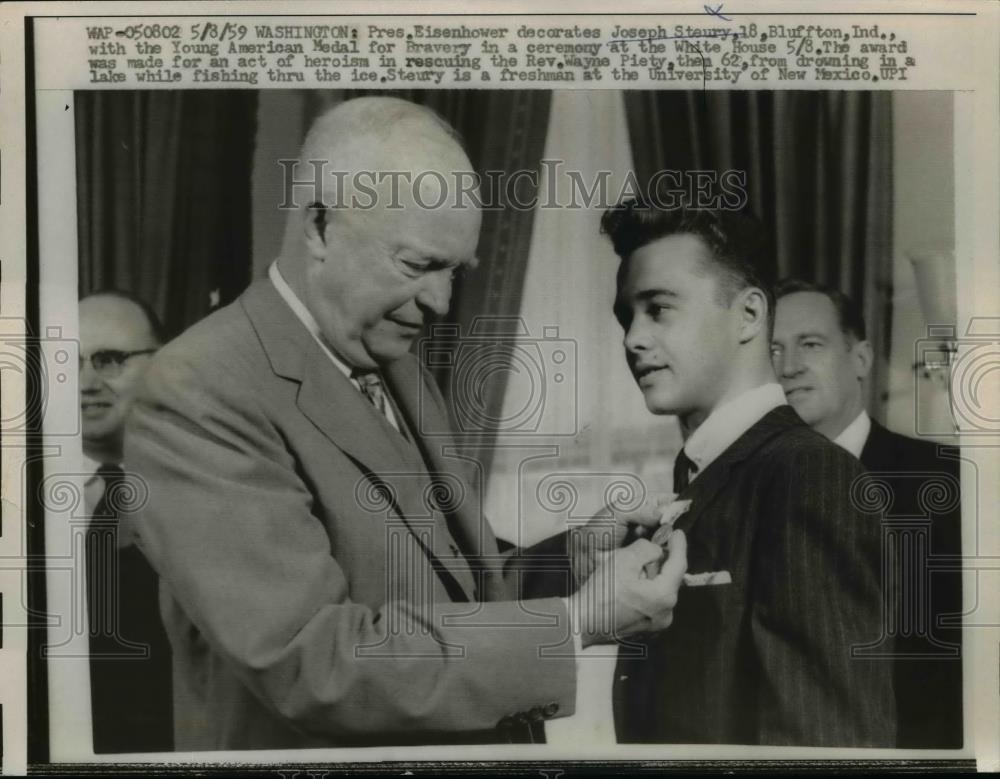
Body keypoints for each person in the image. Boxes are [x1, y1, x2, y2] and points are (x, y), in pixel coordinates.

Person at [122, 96, 687, 751]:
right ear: (319, 227)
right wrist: (577, 620)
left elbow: (444, 575)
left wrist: (570, 564)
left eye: (455, 272)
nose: (440, 302)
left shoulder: (389, 355)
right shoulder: (199, 386)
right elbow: (316, 662)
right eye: (418, 265)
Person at [602, 203, 896, 746]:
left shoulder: (807, 472)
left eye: (658, 309)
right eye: (627, 317)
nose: (632, 339)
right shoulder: (704, 471)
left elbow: (824, 743)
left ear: (750, 315)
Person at [772, 279, 962, 749]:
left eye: (810, 345)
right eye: (771, 352)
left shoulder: (947, 480)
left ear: (860, 359)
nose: (788, 368)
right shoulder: (748, 491)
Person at [79, 290, 173, 752]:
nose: (85, 382)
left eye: (110, 359)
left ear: (163, 363)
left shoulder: (212, 487)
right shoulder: (15, 502)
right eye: (66, 361)